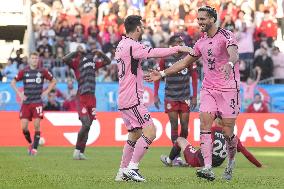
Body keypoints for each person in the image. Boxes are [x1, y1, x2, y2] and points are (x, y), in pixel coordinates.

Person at [145, 6, 240, 181]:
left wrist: (230, 64)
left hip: (229, 90)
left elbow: (234, 54)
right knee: (204, 125)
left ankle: (231, 162)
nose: (199, 22)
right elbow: (183, 63)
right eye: (198, 19)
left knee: (227, 132)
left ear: (212, 19)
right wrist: (163, 74)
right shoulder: (200, 43)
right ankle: (208, 168)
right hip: (209, 88)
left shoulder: (226, 36)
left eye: (203, 19)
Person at [114, 15, 193, 182]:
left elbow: (134, 66)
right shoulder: (133, 45)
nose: (143, 30)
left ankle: (122, 172)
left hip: (123, 98)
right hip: (132, 99)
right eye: (142, 27)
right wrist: (178, 49)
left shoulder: (121, 45)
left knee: (134, 135)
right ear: (137, 29)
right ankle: (133, 168)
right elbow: (154, 52)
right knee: (150, 131)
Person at [154, 35, 198, 166]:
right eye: (178, 42)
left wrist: (194, 96)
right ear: (172, 44)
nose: (181, 43)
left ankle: (175, 155)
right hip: (170, 97)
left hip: (185, 96)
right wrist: (155, 95)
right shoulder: (164, 59)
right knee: (174, 126)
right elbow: (157, 77)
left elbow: (194, 78)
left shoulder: (188, 57)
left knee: (184, 128)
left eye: (182, 41)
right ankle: (177, 158)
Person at [62, 45, 111, 160]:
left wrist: (100, 53)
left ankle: (81, 152)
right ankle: (76, 150)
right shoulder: (76, 63)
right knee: (86, 124)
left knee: (88, 127)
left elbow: (108, 61)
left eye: (81, 47)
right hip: (81, 97)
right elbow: (64, 59)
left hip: (92, 98)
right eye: (78, 47)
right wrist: (75, 52)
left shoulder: (93, 63)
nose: (80, 48)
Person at [160, 122, 262, 169]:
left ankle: (169, 161)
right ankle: (186, 163)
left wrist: (203, 166)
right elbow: (246, 153)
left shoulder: (213, 130)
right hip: (216, 164)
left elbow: (208, 146)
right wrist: (259, 165)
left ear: (218, 121)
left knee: (180, 140)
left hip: (198, 160)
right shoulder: (233, 137)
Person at [10, 52, 56, 156]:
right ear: (29, 60)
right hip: (26, 103)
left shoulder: (42, 71)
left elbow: (54, 81)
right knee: (24, 127)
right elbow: (12, 82)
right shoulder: (24, 71)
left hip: (37, 102)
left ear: (38, 60)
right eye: (33, 58)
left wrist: (46, 92)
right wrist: (20, 94)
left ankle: (35, 149)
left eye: (36, 58)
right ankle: (31, 143)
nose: (34, 60)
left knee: (36, 124)